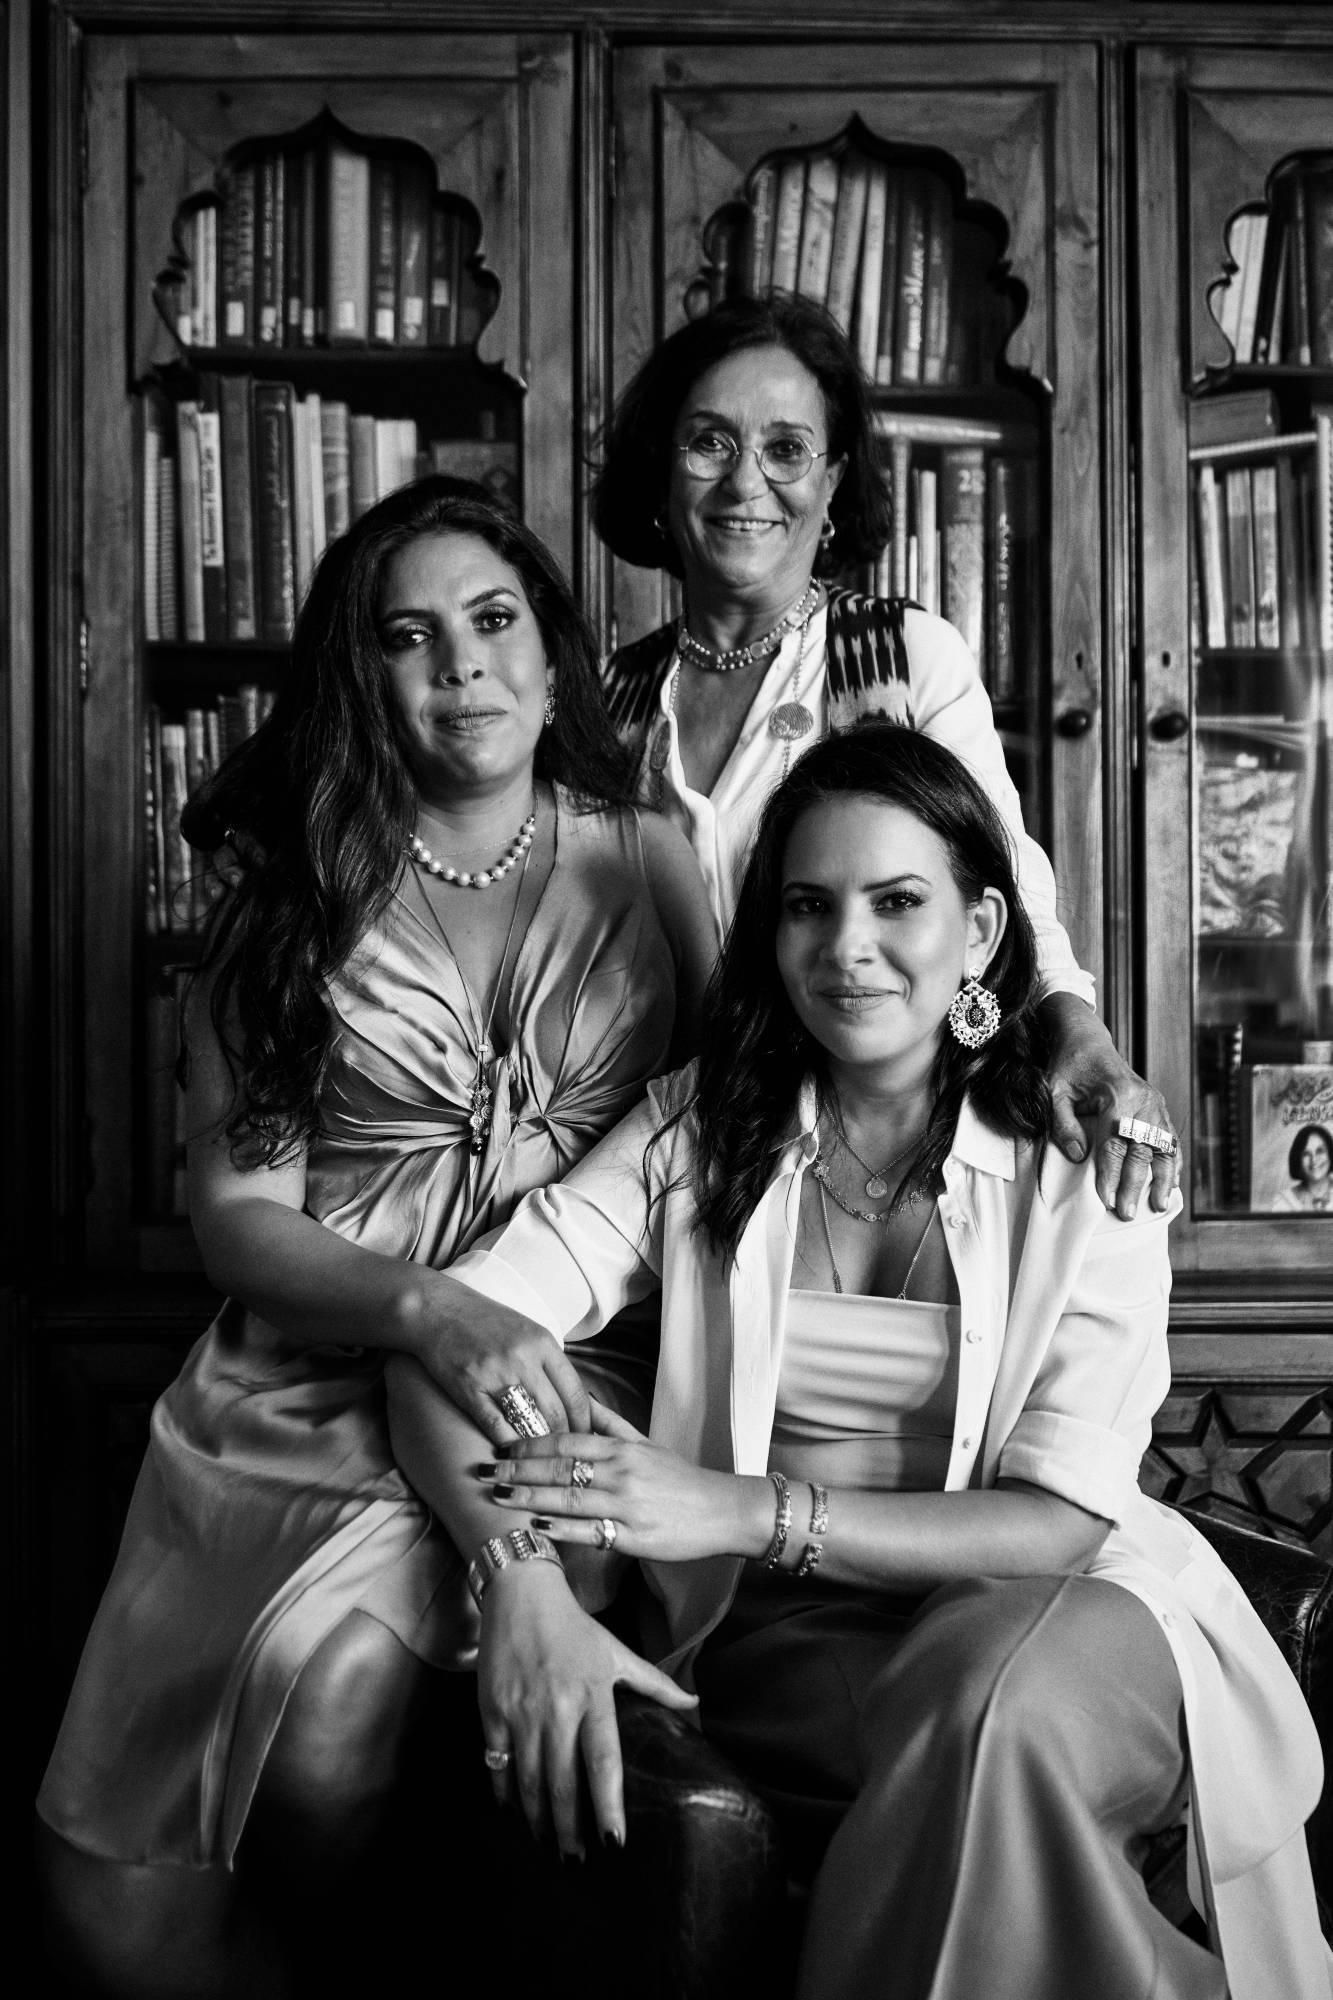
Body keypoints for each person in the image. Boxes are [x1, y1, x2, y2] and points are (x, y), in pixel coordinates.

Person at [386, 727, 1329, 2000]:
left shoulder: (1090, 1161)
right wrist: (520, 1581)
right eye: (807, 906)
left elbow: (1057, 1520)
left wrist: (735, 1507)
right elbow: (451, 1333)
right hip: (791, 1637)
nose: (846, 946)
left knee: (992, 1706)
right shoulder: (696, 1131)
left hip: (1073, 1607)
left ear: (980, 929)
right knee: (963, 1762)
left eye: (896, 902)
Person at [35, 477, 716, 1997]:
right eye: (408, 638)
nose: (460, 663)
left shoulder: (650, 857)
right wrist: (423, 1309)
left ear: (551, 656)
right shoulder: (295, 891)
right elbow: (239, 1220)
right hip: (311, 1375)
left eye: (493, 620)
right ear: (365, 682)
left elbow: (745, 1116)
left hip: (560, 1368)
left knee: (336, 1695)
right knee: (219, 1809)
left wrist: (1031, 1037)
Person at [592, 291, 1179, 1221]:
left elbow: (1003, 883)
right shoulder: (607, 699)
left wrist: (1078, 1036)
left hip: (858, 1159)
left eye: (786, 448)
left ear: (831, 482)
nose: (746, 482)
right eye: (708, 442)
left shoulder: (902, 657)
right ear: (659, 470)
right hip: (646, 1159)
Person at [1278, 1122, 1333, 1212]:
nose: (1314, 1160)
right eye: (1306, 1154)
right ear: (1298, 1159)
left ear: (1330, 1154)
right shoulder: (1284, 1202)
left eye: (1320, 1151)